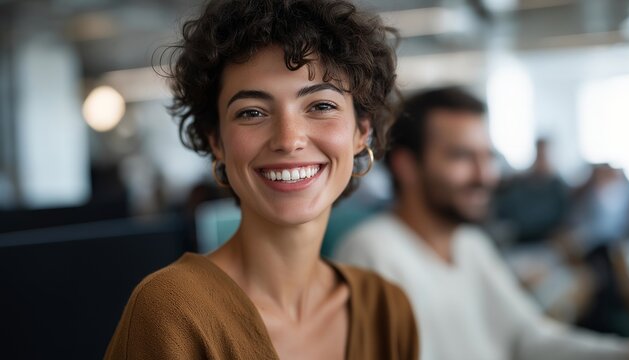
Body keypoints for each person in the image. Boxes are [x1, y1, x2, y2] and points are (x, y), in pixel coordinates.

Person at [104, 1, 418, 359]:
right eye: (252, 112)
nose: (288, 139)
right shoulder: (173, 312)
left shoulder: (387, 309)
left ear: (362, 131)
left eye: (321, 106)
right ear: (216, 142)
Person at [334, 87, 629, 360]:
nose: (485, 176)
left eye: (488, 157)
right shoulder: (369, 253)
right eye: (462, 157)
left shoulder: (469, 243)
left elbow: (529, 338)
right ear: (406, 166)